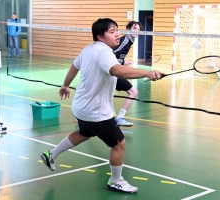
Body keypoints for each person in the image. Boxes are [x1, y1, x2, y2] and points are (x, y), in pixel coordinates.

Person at [40, 18, 163, 193]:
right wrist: (147, 72)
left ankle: (51, 155)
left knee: (84, 133)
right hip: (95, 111)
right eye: (112, 32)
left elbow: (74, 68)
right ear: (100, 36)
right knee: (119, 143)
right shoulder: (105, 52)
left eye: (117, 30)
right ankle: (116, 180)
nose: (117, 34)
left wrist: (65, 85)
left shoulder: (87, 49)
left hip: (80, 107)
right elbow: (116, 70)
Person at [113, 21, 143, 126]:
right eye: (134, 28)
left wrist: (122, 62)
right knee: (133, 92)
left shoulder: (129, 41)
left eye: (139, 29)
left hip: (112, 71)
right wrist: (122, 62)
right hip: (110, 72)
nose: (137, 31)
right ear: (128, 29)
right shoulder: (125, 40)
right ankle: (120, 118)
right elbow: (109, 55)